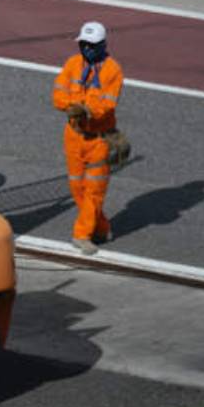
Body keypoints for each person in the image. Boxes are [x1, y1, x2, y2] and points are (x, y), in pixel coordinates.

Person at [52, 21, 124, 255]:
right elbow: (58, 94)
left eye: (91, 45)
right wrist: (71, 106)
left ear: (103, 45)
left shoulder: (113, 70)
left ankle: (82, 235)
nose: (86, 49)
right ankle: (101, 227)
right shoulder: (72, 64)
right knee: (77, 188)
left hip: (99, 139)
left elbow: (107, 105)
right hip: (73, 136)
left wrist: (87, 111)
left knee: (94, 190)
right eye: (83, 44)